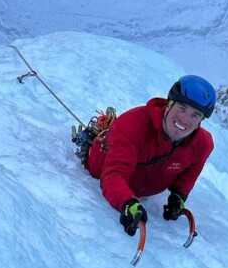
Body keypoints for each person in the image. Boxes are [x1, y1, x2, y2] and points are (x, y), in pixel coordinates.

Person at [87, 75, 216, 236]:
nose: (184, 119)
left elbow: (189, 173)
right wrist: (127, 202)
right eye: (182, 108)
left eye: (195, 115)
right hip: (99, 164)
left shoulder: (202, 144)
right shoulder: (132, 125)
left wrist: (179, 196)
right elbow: (113, 175)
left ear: (200, 121)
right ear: (169, 104)